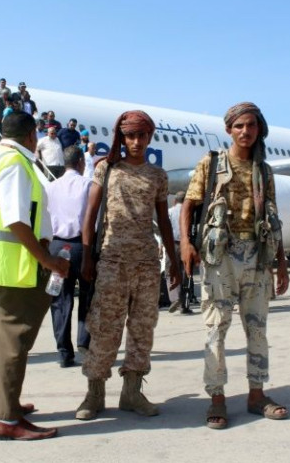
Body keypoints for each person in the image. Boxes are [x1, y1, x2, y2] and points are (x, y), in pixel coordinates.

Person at [180, 102, 290, 430]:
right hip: (220, 258)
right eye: (239, 126)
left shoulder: (264, 171)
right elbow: (189, 204)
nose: (245, 131)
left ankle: (257, 395)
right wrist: (186, 243)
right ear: (229, 129)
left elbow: (272, 217)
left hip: (256, 257)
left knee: (257, 329)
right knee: (216, 328)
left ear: (259, 130)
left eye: (251, 126)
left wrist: (280, 263)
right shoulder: (212, 163)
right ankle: (217, 398)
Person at [0, 111, 69, 441]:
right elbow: (16, 220)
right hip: (14, 267)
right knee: (15, 341)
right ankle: (8, 422)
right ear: (32, 137)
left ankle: (4, 405)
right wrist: (47, 260)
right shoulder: (15, 163)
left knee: (5, 340)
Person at [75, 110, 181, 421]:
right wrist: (86, 257)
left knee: (142, 328)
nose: (136, 141)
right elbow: (90, 213)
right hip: (111, 260)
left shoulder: (158, 176)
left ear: (150, 137)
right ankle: (94, 394)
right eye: (130, 135)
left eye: (141, 135)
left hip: (147, 263)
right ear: (122, 137)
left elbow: (162, 219)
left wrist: (174, 262)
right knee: (105, 327)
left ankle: (132, 393)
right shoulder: (107, 169)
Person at [47, 146, 93, 367]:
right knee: (87, 295)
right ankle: (84, 343)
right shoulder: (87, 185)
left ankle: (64, 352)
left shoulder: (51, 186)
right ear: (81, 162)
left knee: (59, 299)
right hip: (80, 245)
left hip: (57, 247)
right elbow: (91, 221)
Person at [166, 191, 186, 312]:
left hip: (172, 244)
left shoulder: (170, 211)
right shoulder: (188, 212)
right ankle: (184, 302)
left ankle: (175, 299)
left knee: (170, 271)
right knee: (184, 272)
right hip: (185, 244)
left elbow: (166, 228)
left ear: (174, 201)